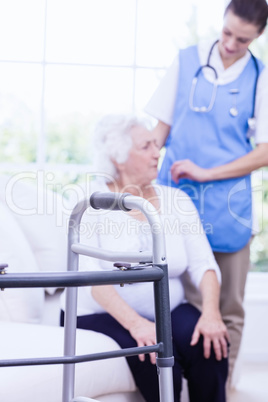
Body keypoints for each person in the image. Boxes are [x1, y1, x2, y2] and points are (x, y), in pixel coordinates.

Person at [60, 114, 228, 402]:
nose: (157, 151)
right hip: (99, 314)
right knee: (157, 363)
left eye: (156, 144)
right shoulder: (89, 201)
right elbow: (91, 278)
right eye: (146, 146)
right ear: (119, 157)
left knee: (208, 346)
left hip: (167, 308)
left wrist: (211, 313)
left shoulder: (177, 200)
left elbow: (204, 264)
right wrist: (136, 324)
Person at [144, 0, 268, 389]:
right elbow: (158, 131)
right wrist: (137, 181)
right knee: (177, 301)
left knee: (227, 309)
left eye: (243, 39)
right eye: (227, 32)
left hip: (228, 207)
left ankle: (221, 389)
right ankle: (174, 388)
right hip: (176, 200)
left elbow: (265, 150)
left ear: (258, 36)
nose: (231, 44)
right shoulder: (186, 62)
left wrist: (208, 172)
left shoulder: (261, 76)